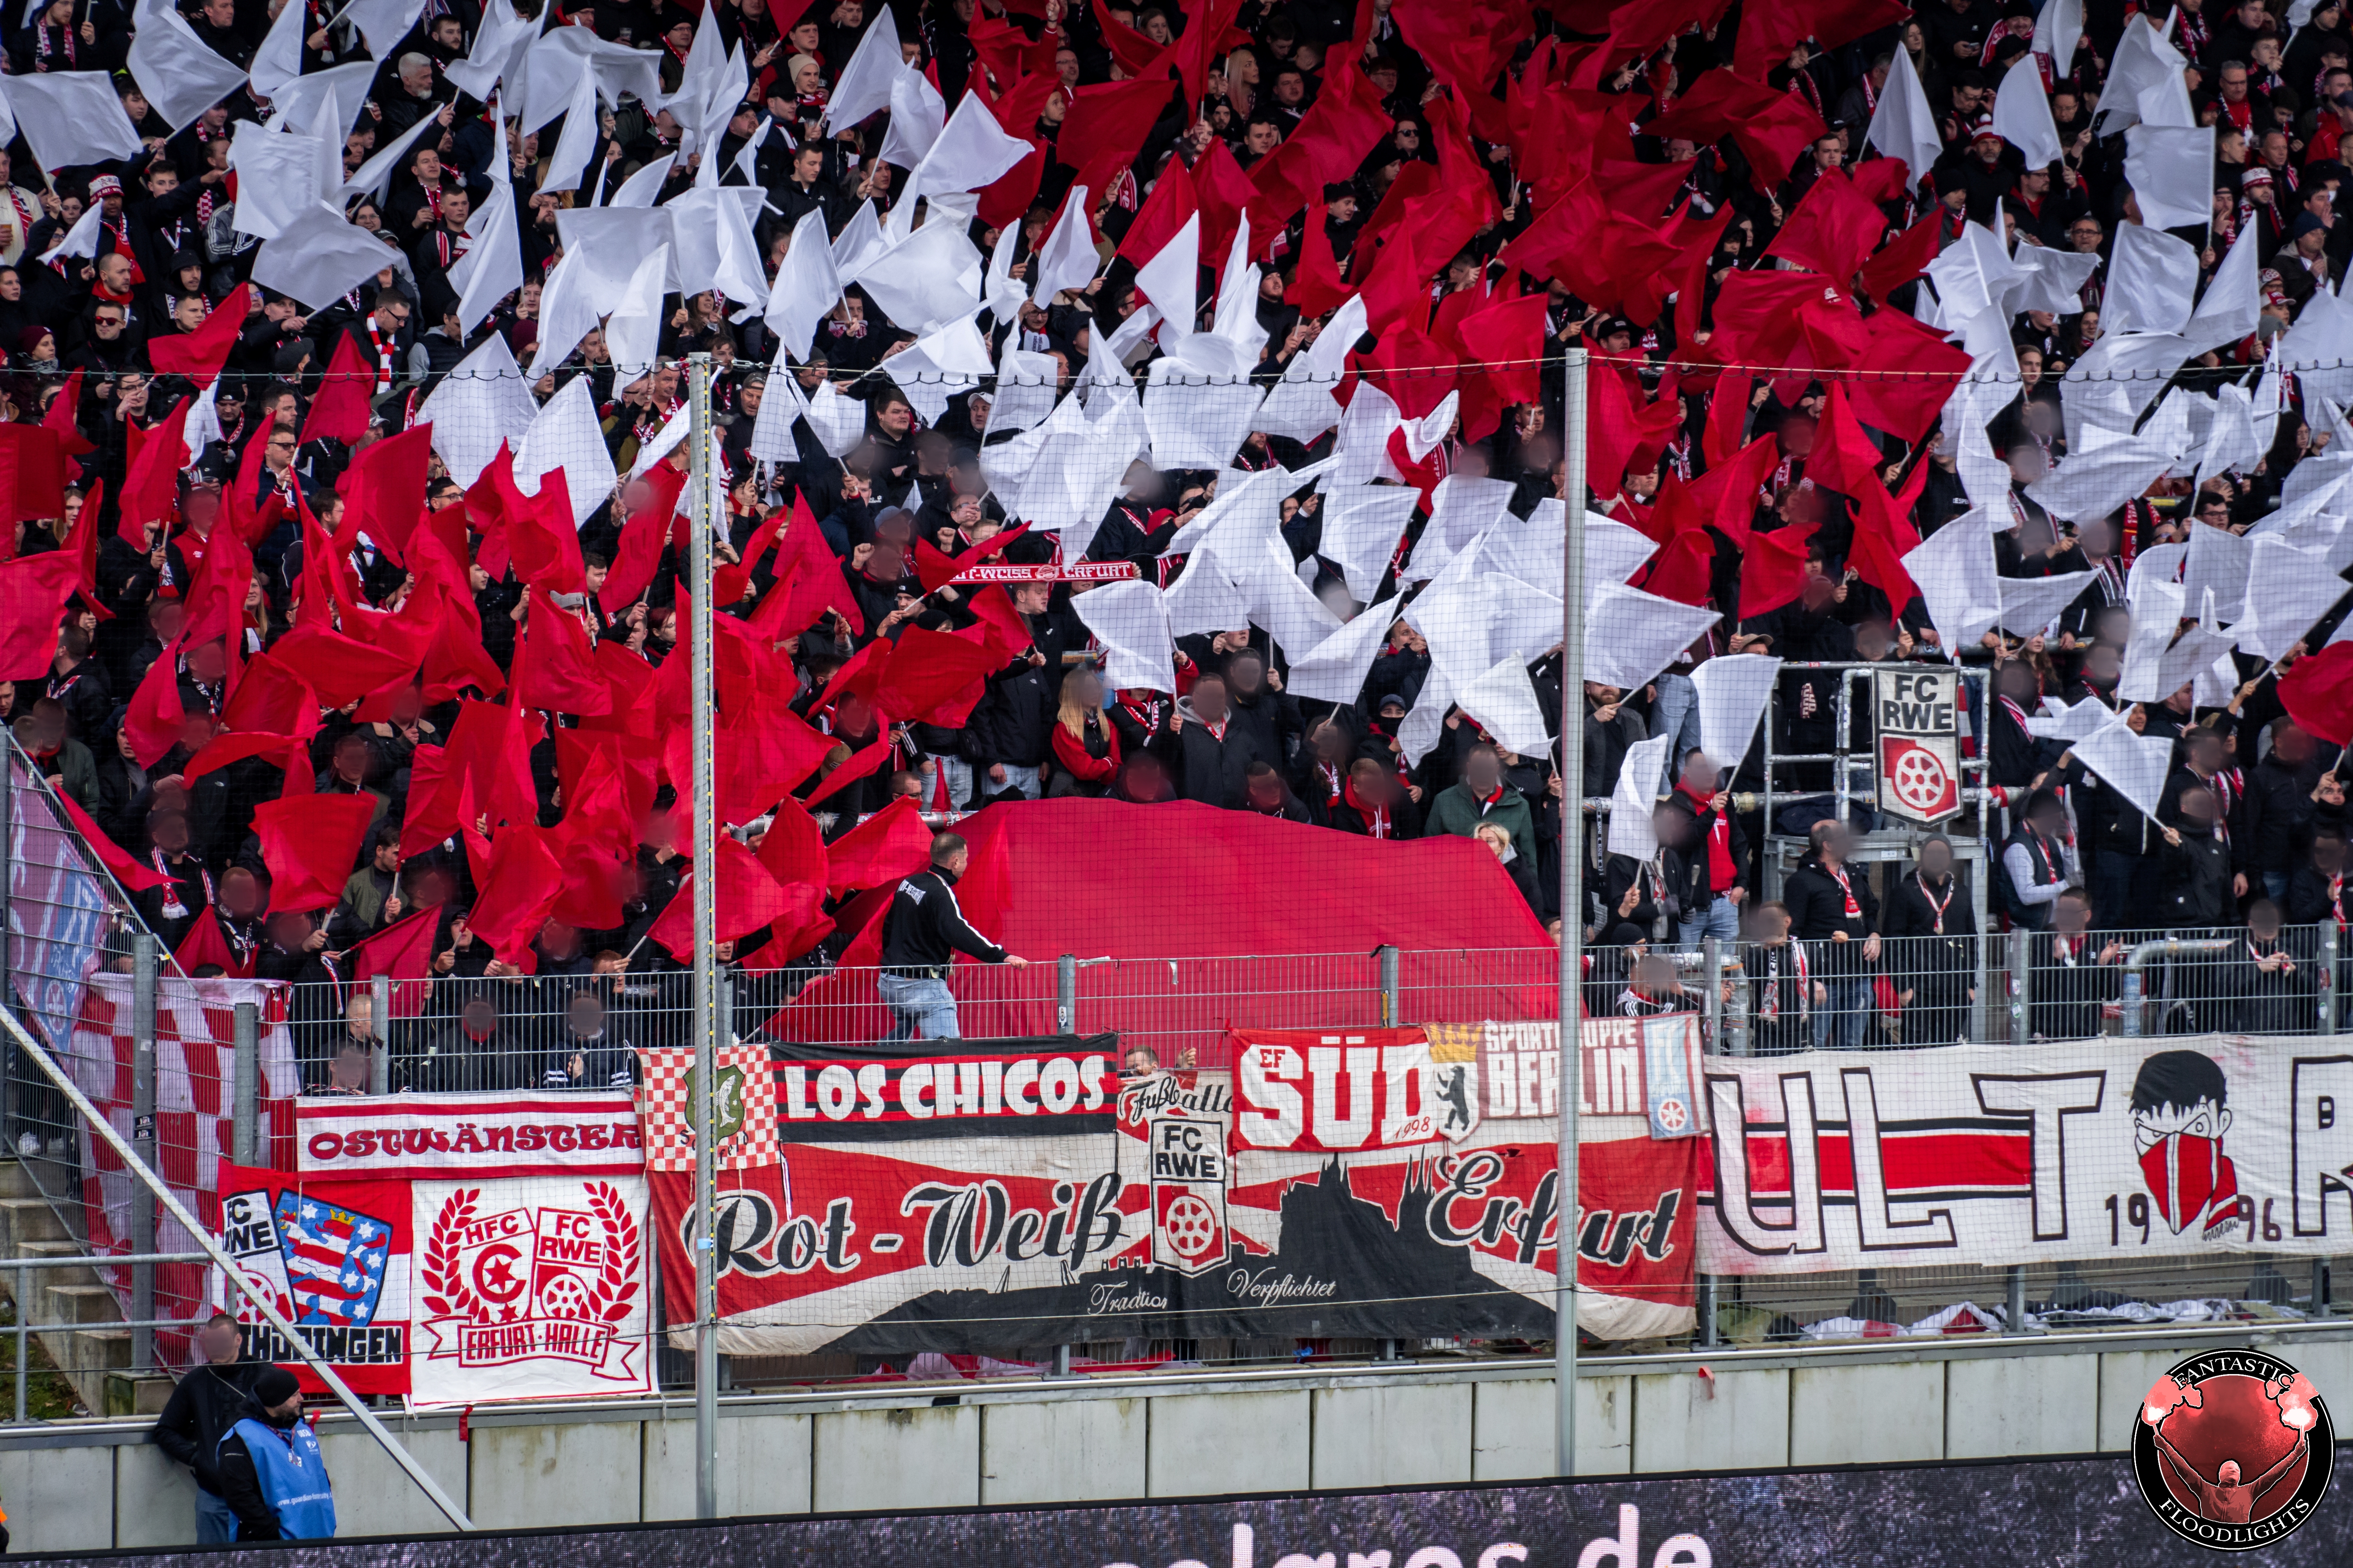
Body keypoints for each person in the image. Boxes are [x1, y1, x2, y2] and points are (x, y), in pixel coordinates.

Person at [877, 832, 1030, 1040]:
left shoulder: (909, 882)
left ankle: (876, 1068)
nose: (967, 864)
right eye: (966, 859)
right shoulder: (940, 891)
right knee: (947, 1054)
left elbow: (888, 927)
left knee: (901, 1041)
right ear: (955, 862)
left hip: (890, 981)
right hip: (921, 985)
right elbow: (957, 930)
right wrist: (999, 955)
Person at [149, 1312, 266, 1544]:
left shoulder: (263, 1374)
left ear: (238, 1340)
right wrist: (199, 1459)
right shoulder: (196, 1380)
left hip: (261, 1494)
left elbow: (292, 1419)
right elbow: (165, 1430)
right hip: (215, 1495)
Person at [1784, 820, 1880, 1050]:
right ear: (1827, 845)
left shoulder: (1855, 874)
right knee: (1814, 1046)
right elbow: (1793, 934)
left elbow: (1871, 910)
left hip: (1859, 976)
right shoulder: (1801, 882)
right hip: (1823, 982)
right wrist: (1810, 980)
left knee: (1853, 1046)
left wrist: (1875, 933)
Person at [215, 1365, 335, 1541]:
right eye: (294, 1395)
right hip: (273, 1546)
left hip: (317, 1537)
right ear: (275, 1400)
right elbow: (239, 1496)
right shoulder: (241, 1438)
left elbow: (320, 1478)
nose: (301, 1399)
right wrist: (273, 1534)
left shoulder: (300, 1429)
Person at [1880, 834, 1976, 1046]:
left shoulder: (1961, 893)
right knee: (1914, 1046)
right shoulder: (1905, 892)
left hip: (1955, 987)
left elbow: (1971, 940)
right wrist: (1903, 986)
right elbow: (1894, 941)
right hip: (1919, 987)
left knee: (1948, 1044)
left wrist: (1970, 985)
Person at [2029, 888, 2124, 1041]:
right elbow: (2032, 988)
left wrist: (2104, 966)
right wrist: (2055, 960)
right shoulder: (2042, 943)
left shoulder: (2099, 946)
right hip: (2047, 1036)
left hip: (2086, 1036)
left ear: (2087, 916)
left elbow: (2113, 994)